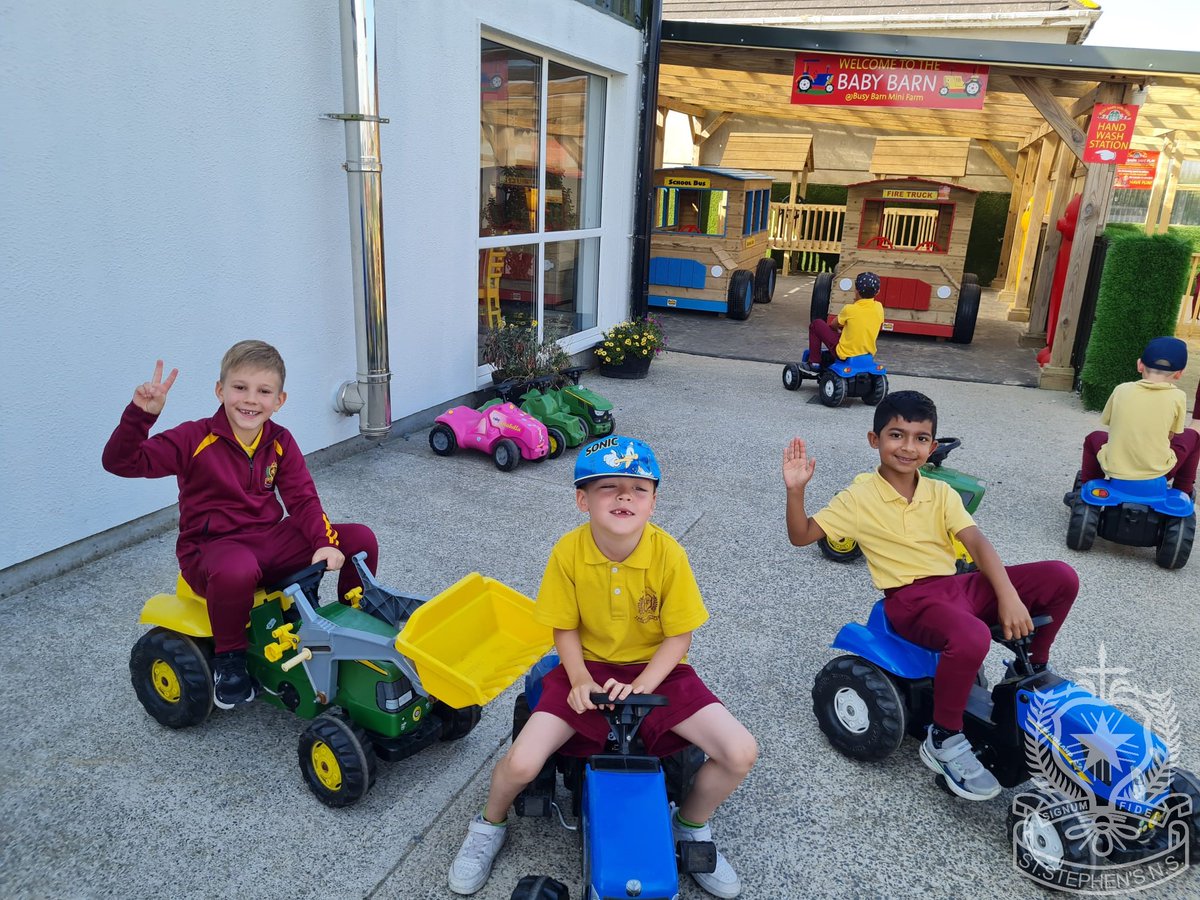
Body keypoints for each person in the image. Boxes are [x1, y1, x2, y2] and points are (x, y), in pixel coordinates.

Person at [448, 436, 757, 898]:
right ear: (582, 499)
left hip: (659, 671)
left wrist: (644, 685)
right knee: (522, 761)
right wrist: (578, 679)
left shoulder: (669, 555)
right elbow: (564, 629)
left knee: (740, 751)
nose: (624, 497)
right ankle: (488, 824)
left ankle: (691, 824)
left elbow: (679, 636)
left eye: (637, 488)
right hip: (586, 668)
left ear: (654, 501)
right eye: (609, 487)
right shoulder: (568, 553)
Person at [782, 391, 1078, 802]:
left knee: (1061, 577)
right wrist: (796, 491)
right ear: (875, 440)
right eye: (896, 435)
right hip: (911, 599)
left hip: (958, 586)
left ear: (933, 447)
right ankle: (944, 737)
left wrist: (1006, 593)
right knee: (971, 635)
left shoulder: (940, 494)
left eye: (920, 438)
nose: (908, 447)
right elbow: (802, 536)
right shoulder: (858, 497)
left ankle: (1029, 671)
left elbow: (975, 542)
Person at [102, 341, 378, 709]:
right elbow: (121, 462)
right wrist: (141, 415)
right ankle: (229, 661)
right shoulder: (193, 438)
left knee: (359, 538)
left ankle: (353, 619)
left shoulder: (280, 441)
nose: (250, 400)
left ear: (279, 400)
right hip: (211, 551)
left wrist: (323, 542)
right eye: (240, 387)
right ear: (220, 391)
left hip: (268, 541)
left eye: (263, 391)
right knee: (237, 568)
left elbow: (302, 500)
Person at [1080, 336, 1200, 496]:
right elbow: (1172, 435)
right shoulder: (1178, 397)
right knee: (1193, 437)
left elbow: (1111, 424)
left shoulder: (1121, 390)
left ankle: (1088, 487)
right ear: (1179, 374)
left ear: (1140, 365)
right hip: (1158, 473)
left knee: (1093, 438)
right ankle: (1183, 491)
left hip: (1116, 468)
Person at [801, 270, 885, 375]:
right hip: (867, 353)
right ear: (878, 292)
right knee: (844, 335)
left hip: (844, 353)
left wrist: (837, 329)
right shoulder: (879, 308)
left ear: (856, 290)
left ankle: (814, 362)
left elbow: (833, 325)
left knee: (816, 324)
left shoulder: (850, 309)